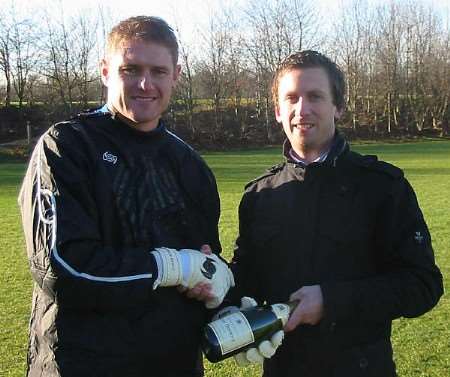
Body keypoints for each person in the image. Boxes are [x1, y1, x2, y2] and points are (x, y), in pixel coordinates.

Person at [18, 16, 234, 377]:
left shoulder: (190, 165)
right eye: (130, 69)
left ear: (176, 75)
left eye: (158, 71)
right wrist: (169, 266)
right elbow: (63, 268)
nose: (145, 83)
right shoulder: (67, 146)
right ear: (105, 70)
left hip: (173, 364)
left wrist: (221, 297)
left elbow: (203, 261)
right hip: (82, 364)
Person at [229, 50, 443, 376]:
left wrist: (331, 301)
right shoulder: (260, 195)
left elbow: (422, 285)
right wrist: (219, 289)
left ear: (338, 106)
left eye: (315, 96)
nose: (302, 109)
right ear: (277, 110)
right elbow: (247, 280)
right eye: (291, 98)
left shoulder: (382, 186)